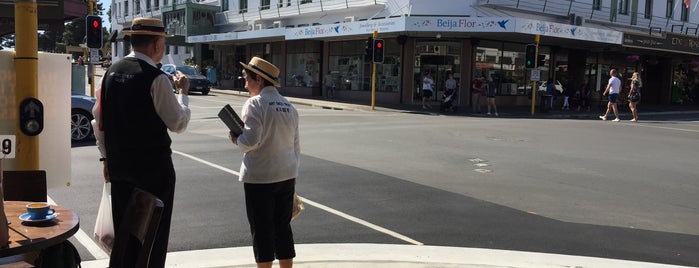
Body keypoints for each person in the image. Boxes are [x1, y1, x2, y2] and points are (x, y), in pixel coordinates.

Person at [91, 17, 191, 268]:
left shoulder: (110, 73)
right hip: (153, 173)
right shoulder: (157, 79)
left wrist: (105, 158)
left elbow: (98, 121)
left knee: (125, 238)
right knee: (153, 239)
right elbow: (178, 123)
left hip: (119, 168)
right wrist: (183, 94)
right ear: (157, 44)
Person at [229, 56, 300, 268]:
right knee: (282, 228)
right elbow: (296, 147)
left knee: (261, 231)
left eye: (246, 78)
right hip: (286, 175)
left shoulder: (255, 104)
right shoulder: (290, 107)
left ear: (258, 79)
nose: (245, 84)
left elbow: (250, 142)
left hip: (260, 177)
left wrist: (235, 136)